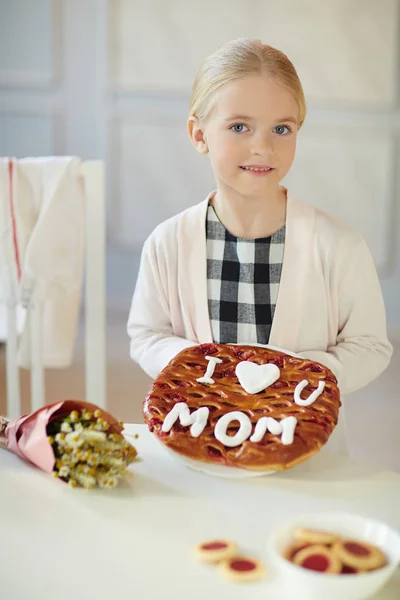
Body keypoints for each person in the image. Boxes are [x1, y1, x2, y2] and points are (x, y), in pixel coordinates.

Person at [127, 38, 392, 453]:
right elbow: (146, 334)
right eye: (239, 127)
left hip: (302, 451)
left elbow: (370, 346)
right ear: (199, 135)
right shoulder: (168, 243)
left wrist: (295, 375)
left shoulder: (339, 246)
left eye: (281, 129)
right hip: (195, 439)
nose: (263, 147)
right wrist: (213, 370)